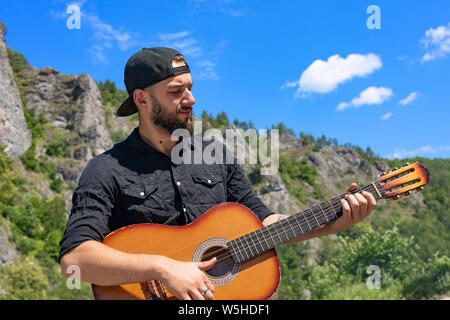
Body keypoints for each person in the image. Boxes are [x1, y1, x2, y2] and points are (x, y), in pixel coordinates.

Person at [59, 47, 377, 300]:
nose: (191, 100)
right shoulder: (104, 169)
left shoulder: (217, 156)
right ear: (141, 98)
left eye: (191, 89)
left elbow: (264, 223)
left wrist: (334, 219)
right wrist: (163, 267)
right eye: (176, 91)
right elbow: (75, 260)